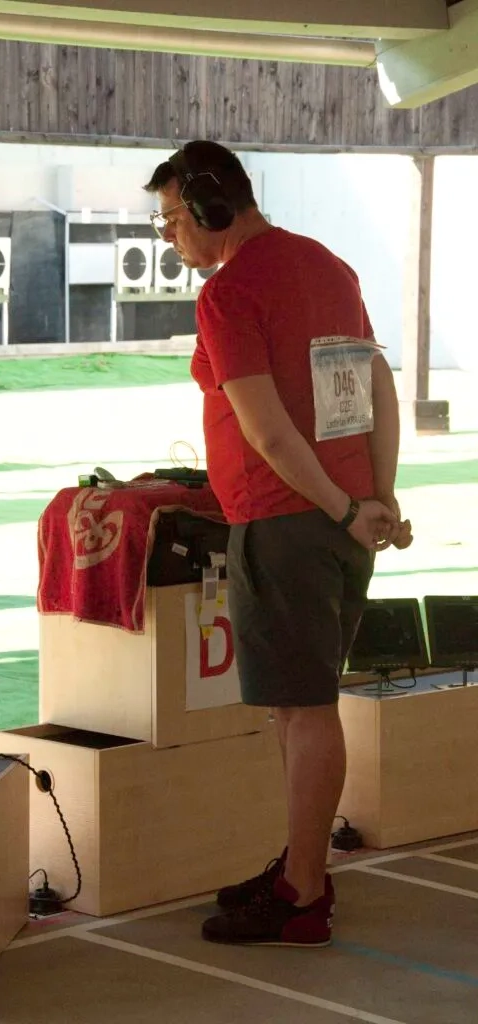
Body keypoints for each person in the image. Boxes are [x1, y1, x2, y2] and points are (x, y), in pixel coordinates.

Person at [143, 141, 413, 949]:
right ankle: (301, 866)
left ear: (207, 207)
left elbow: (264, 429)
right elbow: (377, 387)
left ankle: (303, 894)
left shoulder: (230, 293)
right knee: (297, 706)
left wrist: (344, 508)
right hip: (335, 522)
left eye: (171, 220)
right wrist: (377, 497)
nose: (171, 238)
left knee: (303, 710)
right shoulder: (329, 267)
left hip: (286, 521)